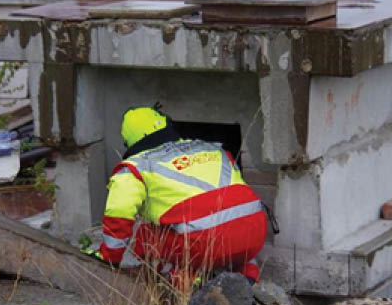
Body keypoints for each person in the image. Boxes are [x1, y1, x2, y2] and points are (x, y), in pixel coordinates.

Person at [94, 106, 267, 286]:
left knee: (146, 236)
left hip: (201, 244)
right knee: (239, 230)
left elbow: (119, 216)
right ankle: (248, 276)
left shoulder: (135, 167)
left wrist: (109, 259)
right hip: (255, 231)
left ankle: (185, 279)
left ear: (129, 141)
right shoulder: (213, 148)